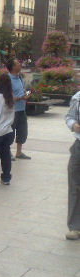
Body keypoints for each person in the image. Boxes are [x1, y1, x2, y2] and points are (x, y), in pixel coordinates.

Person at [6, 58, 31, 160]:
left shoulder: (19, 77)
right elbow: (7, 96)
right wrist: (21, 97)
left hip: (21, 109)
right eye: (17, 64)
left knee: (22, 131)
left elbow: (20, 90)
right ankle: (7, 152)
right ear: (12, 67)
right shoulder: (7, 79)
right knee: (10, 132)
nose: (20, 65)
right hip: (12, 110)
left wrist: (25, 93)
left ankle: (19, 152)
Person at [65, 92, 80, 240]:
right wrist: (74, 125)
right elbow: (69, 117)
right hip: (79, 147)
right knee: (75, 186)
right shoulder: (77, 97)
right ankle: (75, 226)